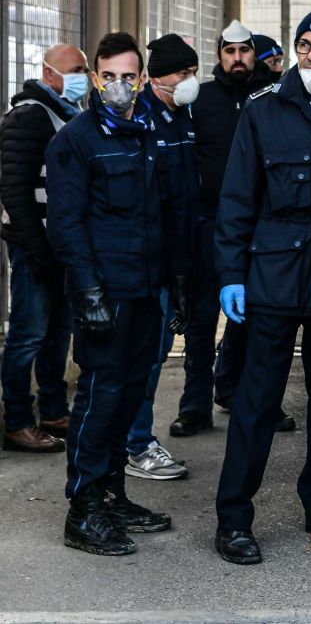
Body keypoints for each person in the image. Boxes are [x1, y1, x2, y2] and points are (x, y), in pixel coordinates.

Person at [212, 9, 311, 565]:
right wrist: (232, 274)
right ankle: (233, 517)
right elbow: (237, 199)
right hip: (274, 277)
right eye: (304, 45)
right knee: (256, 402)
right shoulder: (264, 110)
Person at [46, 32, 190, 555]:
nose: (120, 86)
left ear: (142, 79)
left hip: (146, 290)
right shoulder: (77, 140)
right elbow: (65, 224)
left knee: (129, 397)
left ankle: (112, 494)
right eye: (110, 76)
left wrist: (175, 278)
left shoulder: (148, 131)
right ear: (97, 77)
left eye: (130, 77)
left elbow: (165, 212)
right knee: (99, 398)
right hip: (105, 293)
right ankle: (83, 509)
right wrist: (87, 292)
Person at [171, 20, 295, 437]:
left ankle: (257, 401)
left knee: (260, 321)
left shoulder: (273, 100)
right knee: (202, 321)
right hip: (208, 226)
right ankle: (194, 406)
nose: (238, 58)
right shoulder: (200, 101)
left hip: (262, 231)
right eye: (230, 51)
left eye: (245, 51)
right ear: (219, 55)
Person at [121, 34, 201, 482]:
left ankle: (132, 437)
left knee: (157, 351)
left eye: (193, 71)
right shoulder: (141, 120)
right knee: (145, 355)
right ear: (156, 78)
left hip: (177, 259)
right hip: (147, 261)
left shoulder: (183, 116)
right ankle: (135, 443)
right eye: (182, 73)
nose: (190, 80)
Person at [0, 44, 86, 453]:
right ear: (49, 73)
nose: (83, 77)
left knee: (57, 333)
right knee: (28, 334)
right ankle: (17, 421)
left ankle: (54, 412)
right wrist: (37, 249)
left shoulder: (69, 113)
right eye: (76, 70)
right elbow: (14, 190)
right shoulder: (29, 116)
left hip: (60, 248)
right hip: (36, 248)